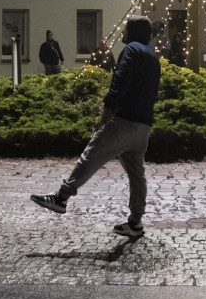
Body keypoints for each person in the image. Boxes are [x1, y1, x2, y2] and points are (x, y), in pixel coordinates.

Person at [31, 16, 161, 238]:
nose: (122, 33)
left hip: (124, 120)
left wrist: (109, 107)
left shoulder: (131, 51)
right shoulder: (152, 56)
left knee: (91, 154)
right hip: (143, 124)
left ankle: (61, 198)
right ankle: (135, 222)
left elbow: (120, 79)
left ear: (132, 31)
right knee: (137, 173)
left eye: (125, 29)